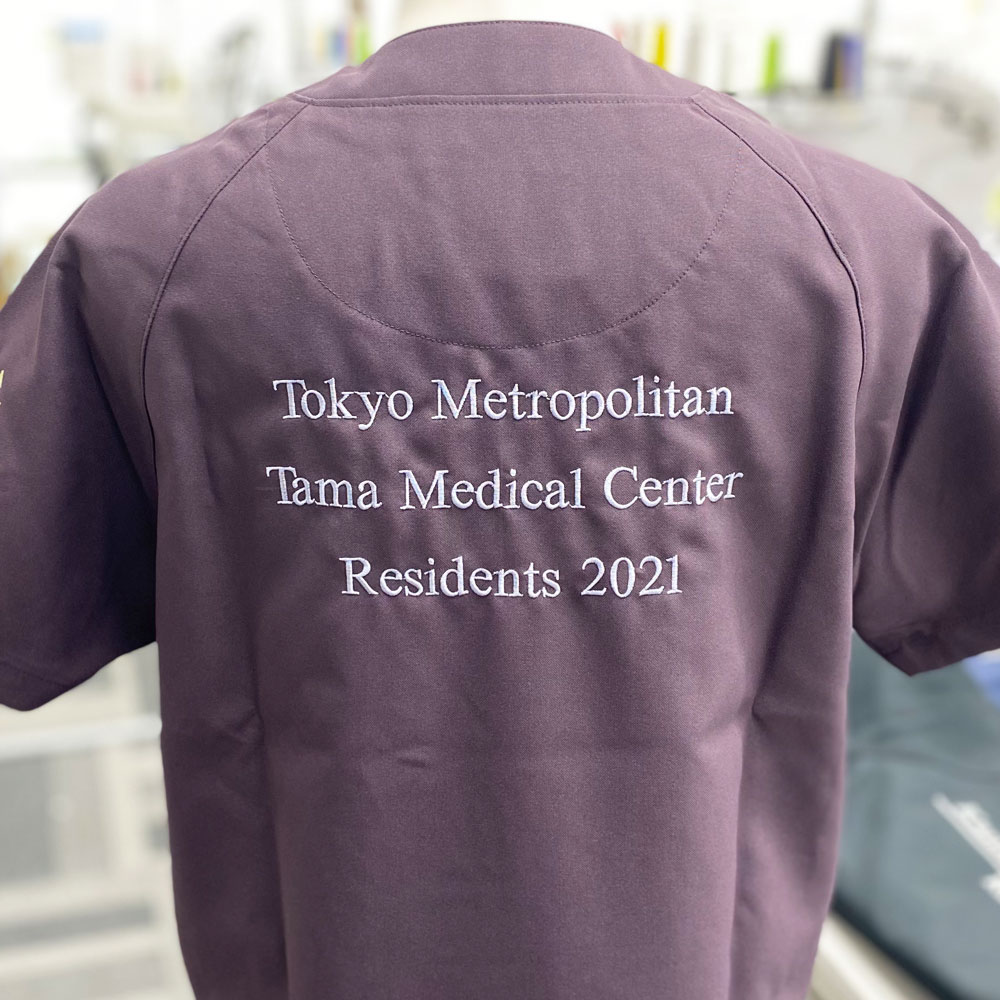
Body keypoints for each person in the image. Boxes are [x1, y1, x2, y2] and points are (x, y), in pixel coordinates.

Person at [2, 17, 999, 1000]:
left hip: (321, 943)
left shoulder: (152, 242)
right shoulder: (867, 246)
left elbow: (34, 592)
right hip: (692, 947)